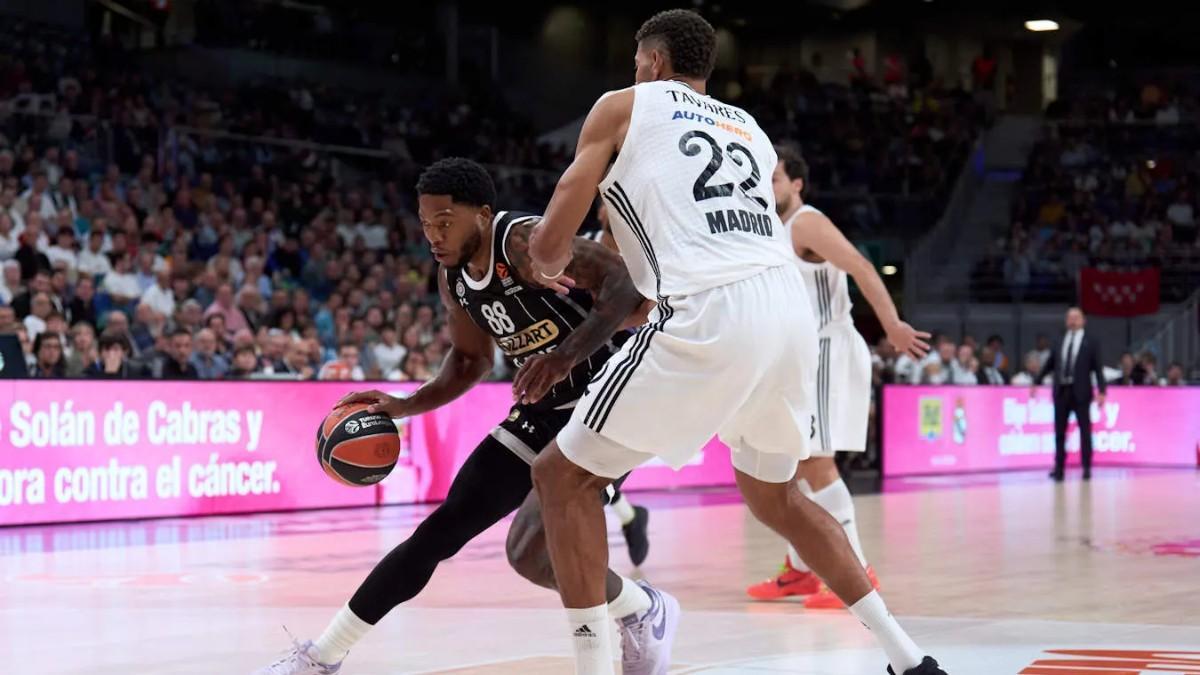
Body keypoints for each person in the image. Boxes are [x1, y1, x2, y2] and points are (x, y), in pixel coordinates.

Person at [526, 10, 943, 675]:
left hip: (711, 307)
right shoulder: (747, 125)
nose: (635, 71)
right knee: (776, 496)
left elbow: (558, 218)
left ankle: (594, 667)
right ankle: (908, 656)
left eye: (638, 61)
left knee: (559, 474)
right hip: (788, 309)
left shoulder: (621, 105)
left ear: (653, 61)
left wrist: (546, 258)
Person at [255, 158, 660, 675]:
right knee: (443, 532)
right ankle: (322, 657)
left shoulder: (524, 241)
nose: (434, 234)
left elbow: (625, 286)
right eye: (426, 223)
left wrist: (562, 358)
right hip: (543, 411)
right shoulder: (453, 280)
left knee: (533, 548)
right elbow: (470, 362)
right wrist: (405, 406)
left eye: (445, 220)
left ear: (483, 215)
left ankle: (630, 622)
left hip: (609, 398)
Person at [746, 146, 931, 609]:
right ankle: (803, 570)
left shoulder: (806, 222)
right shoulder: (767, 228)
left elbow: (862, 267)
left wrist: (891, 324)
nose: (766, 188)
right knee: (788, 461)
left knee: (815, 463)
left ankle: (857, 571)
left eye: (774, 179)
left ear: (796, 184)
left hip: (827, 348)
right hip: (796, 354)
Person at [1034, 307, 1106, 482]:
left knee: (1085, 430)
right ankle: (1059, 467)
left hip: (1081, 391)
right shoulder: (1059, 340)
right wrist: (1037, 381)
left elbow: (1097, 368)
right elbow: (1050, 363)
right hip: (1062, 391)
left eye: (1076, 317)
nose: (1073, 320)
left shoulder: (1091, 341)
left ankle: (1086, 466)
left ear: (1083, 320)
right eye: (1070, 317)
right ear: (1066, 320)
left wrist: (1102, 390)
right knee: (1059, 431)